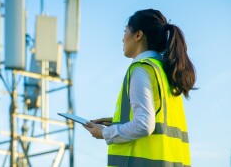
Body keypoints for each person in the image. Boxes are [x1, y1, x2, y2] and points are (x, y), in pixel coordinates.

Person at [84, 9, 196, 167]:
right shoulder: (165, 71)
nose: (123, 38)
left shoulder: (141, 69)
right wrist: (119, 122)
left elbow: (144, 125)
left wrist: (104, 132)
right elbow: (157, 120)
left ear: (138, 35)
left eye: (125, 31)